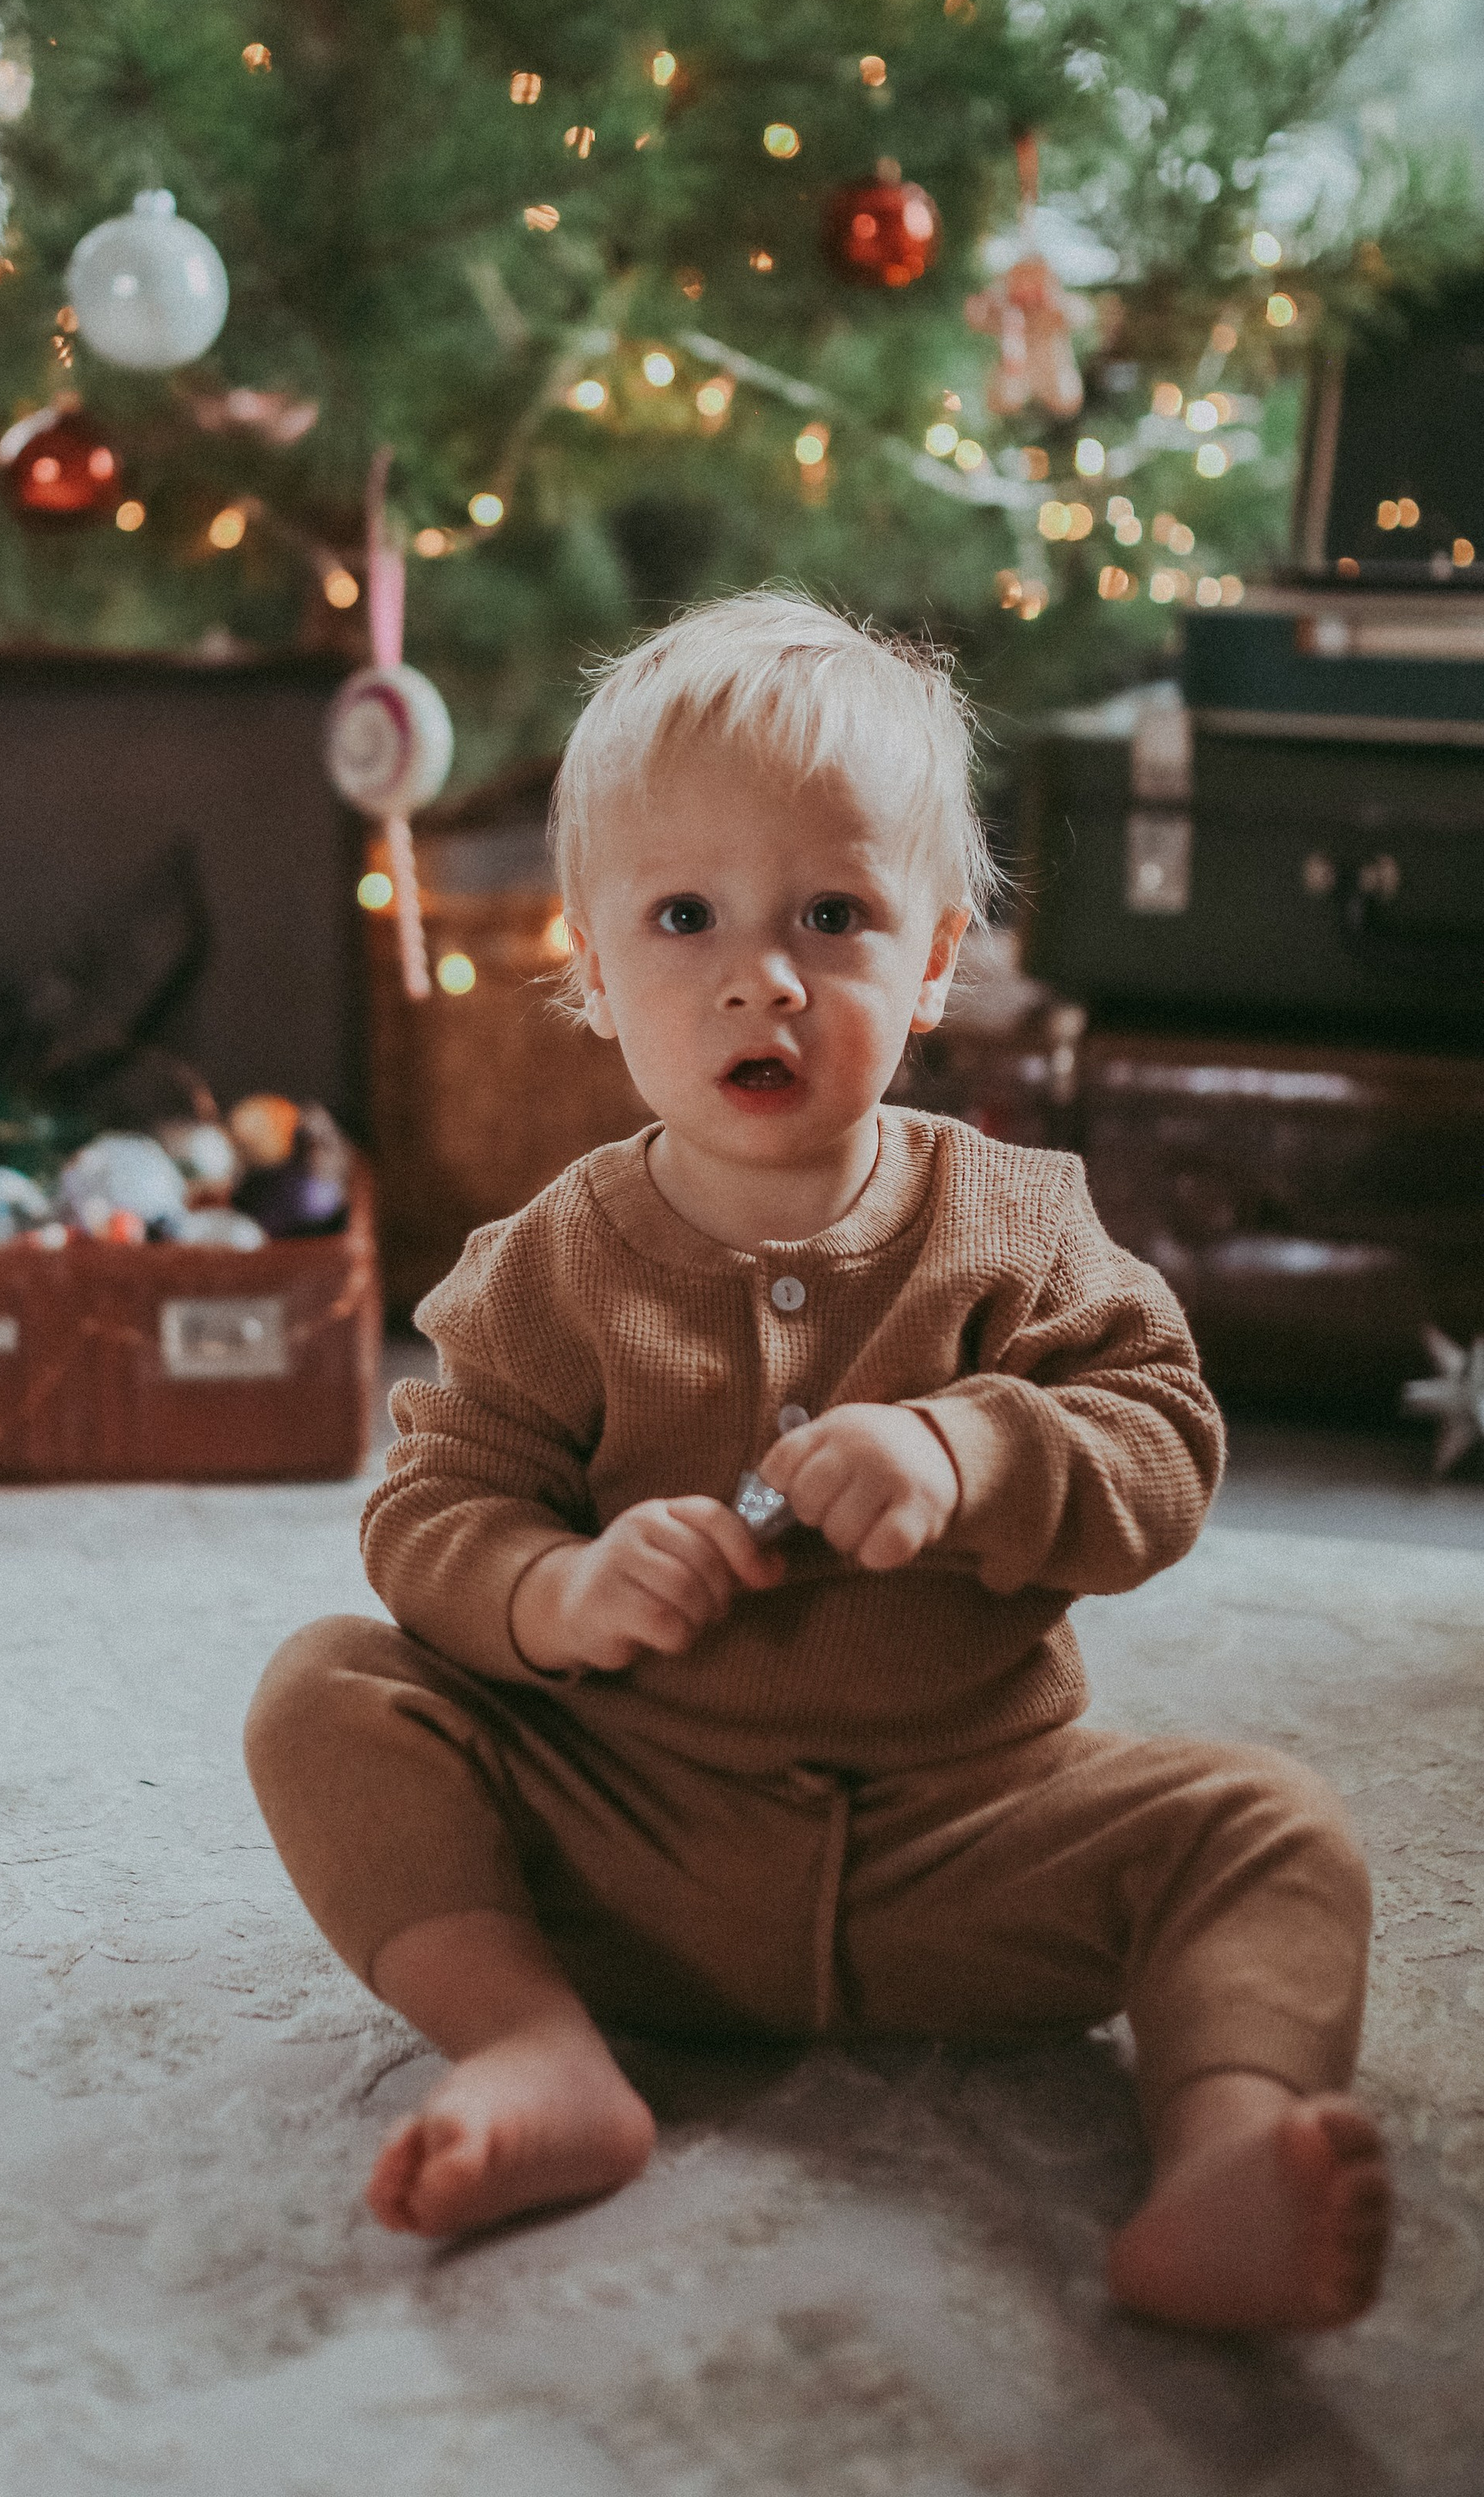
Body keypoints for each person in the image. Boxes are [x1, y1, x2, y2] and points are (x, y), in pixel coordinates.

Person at [247, 591, 1390, 2332]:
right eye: (684, 916)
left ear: (934, 956)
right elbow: (432, 1510)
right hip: (624, 1850)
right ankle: (538, 2051)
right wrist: (553, 1592)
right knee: (324, 1697)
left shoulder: (1019, 1226)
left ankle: (1224, 2156)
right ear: (594, 963)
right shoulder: (552, 1262)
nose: (755, 975)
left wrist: (970, 1449)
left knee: (1269, 1831)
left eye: (832, 915)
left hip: (971, 1842)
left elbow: (1160, 1448)